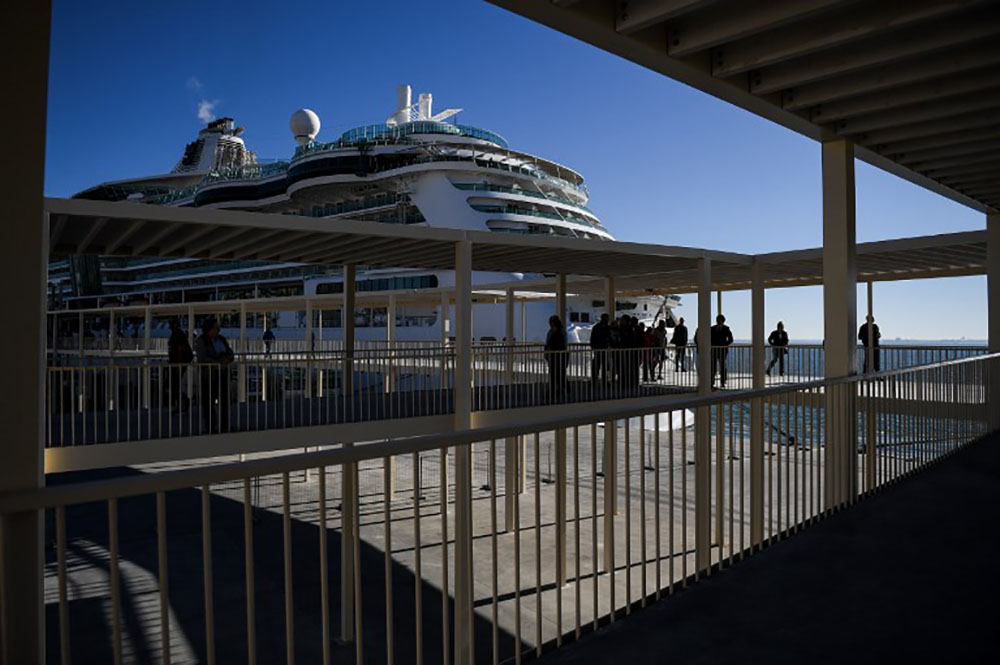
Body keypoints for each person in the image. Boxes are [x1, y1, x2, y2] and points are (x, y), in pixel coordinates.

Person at [194, 317, 235, 433]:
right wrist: (217, 362)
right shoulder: (202, 341)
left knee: (224, 402)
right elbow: (202, 358)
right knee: (208, 403)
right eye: (216, 328)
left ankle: (225, 426)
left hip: (222, 375)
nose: (218, 330)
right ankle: (211, 427)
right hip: (209, 376)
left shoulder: (221, 339)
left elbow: (230, 353)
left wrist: (226, 359)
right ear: (209, 329)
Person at [696, 314, 734, 388]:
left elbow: (731, 339)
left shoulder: (726, 329)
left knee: (722, 366)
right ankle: (711, 381)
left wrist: (725, 345)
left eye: (719, 320)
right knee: (712, 366)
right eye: (717, 320)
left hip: (722, 351)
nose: (718, 322)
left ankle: (723, 381)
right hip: (714, 350)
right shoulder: (712, 329)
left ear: (722, 321)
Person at [167, 316, 193, 410]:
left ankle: (181, 403)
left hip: (178, 363)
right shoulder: (177, 333)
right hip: (177, 363)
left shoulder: (177, 334)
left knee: (174, 384)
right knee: (174, 384)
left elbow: (180, 350)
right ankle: (182, 402)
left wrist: (178, 365)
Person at [544, 315, 568, 399]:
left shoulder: (554, 332)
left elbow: (549, 344)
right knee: (559, 374)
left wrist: (547, 354)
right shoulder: (561, 332)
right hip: (559, 357)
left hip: (555, 357)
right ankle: (561, 390)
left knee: (556, 375)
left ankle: (556, 390)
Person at [589, 313, 611, 384]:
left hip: (602, 350)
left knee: (603, 366)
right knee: (598, 366)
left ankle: (601, 380)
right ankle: (596, 380)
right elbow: (592, 339)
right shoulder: (600, 328)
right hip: (599, 349)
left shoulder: (602, 327)